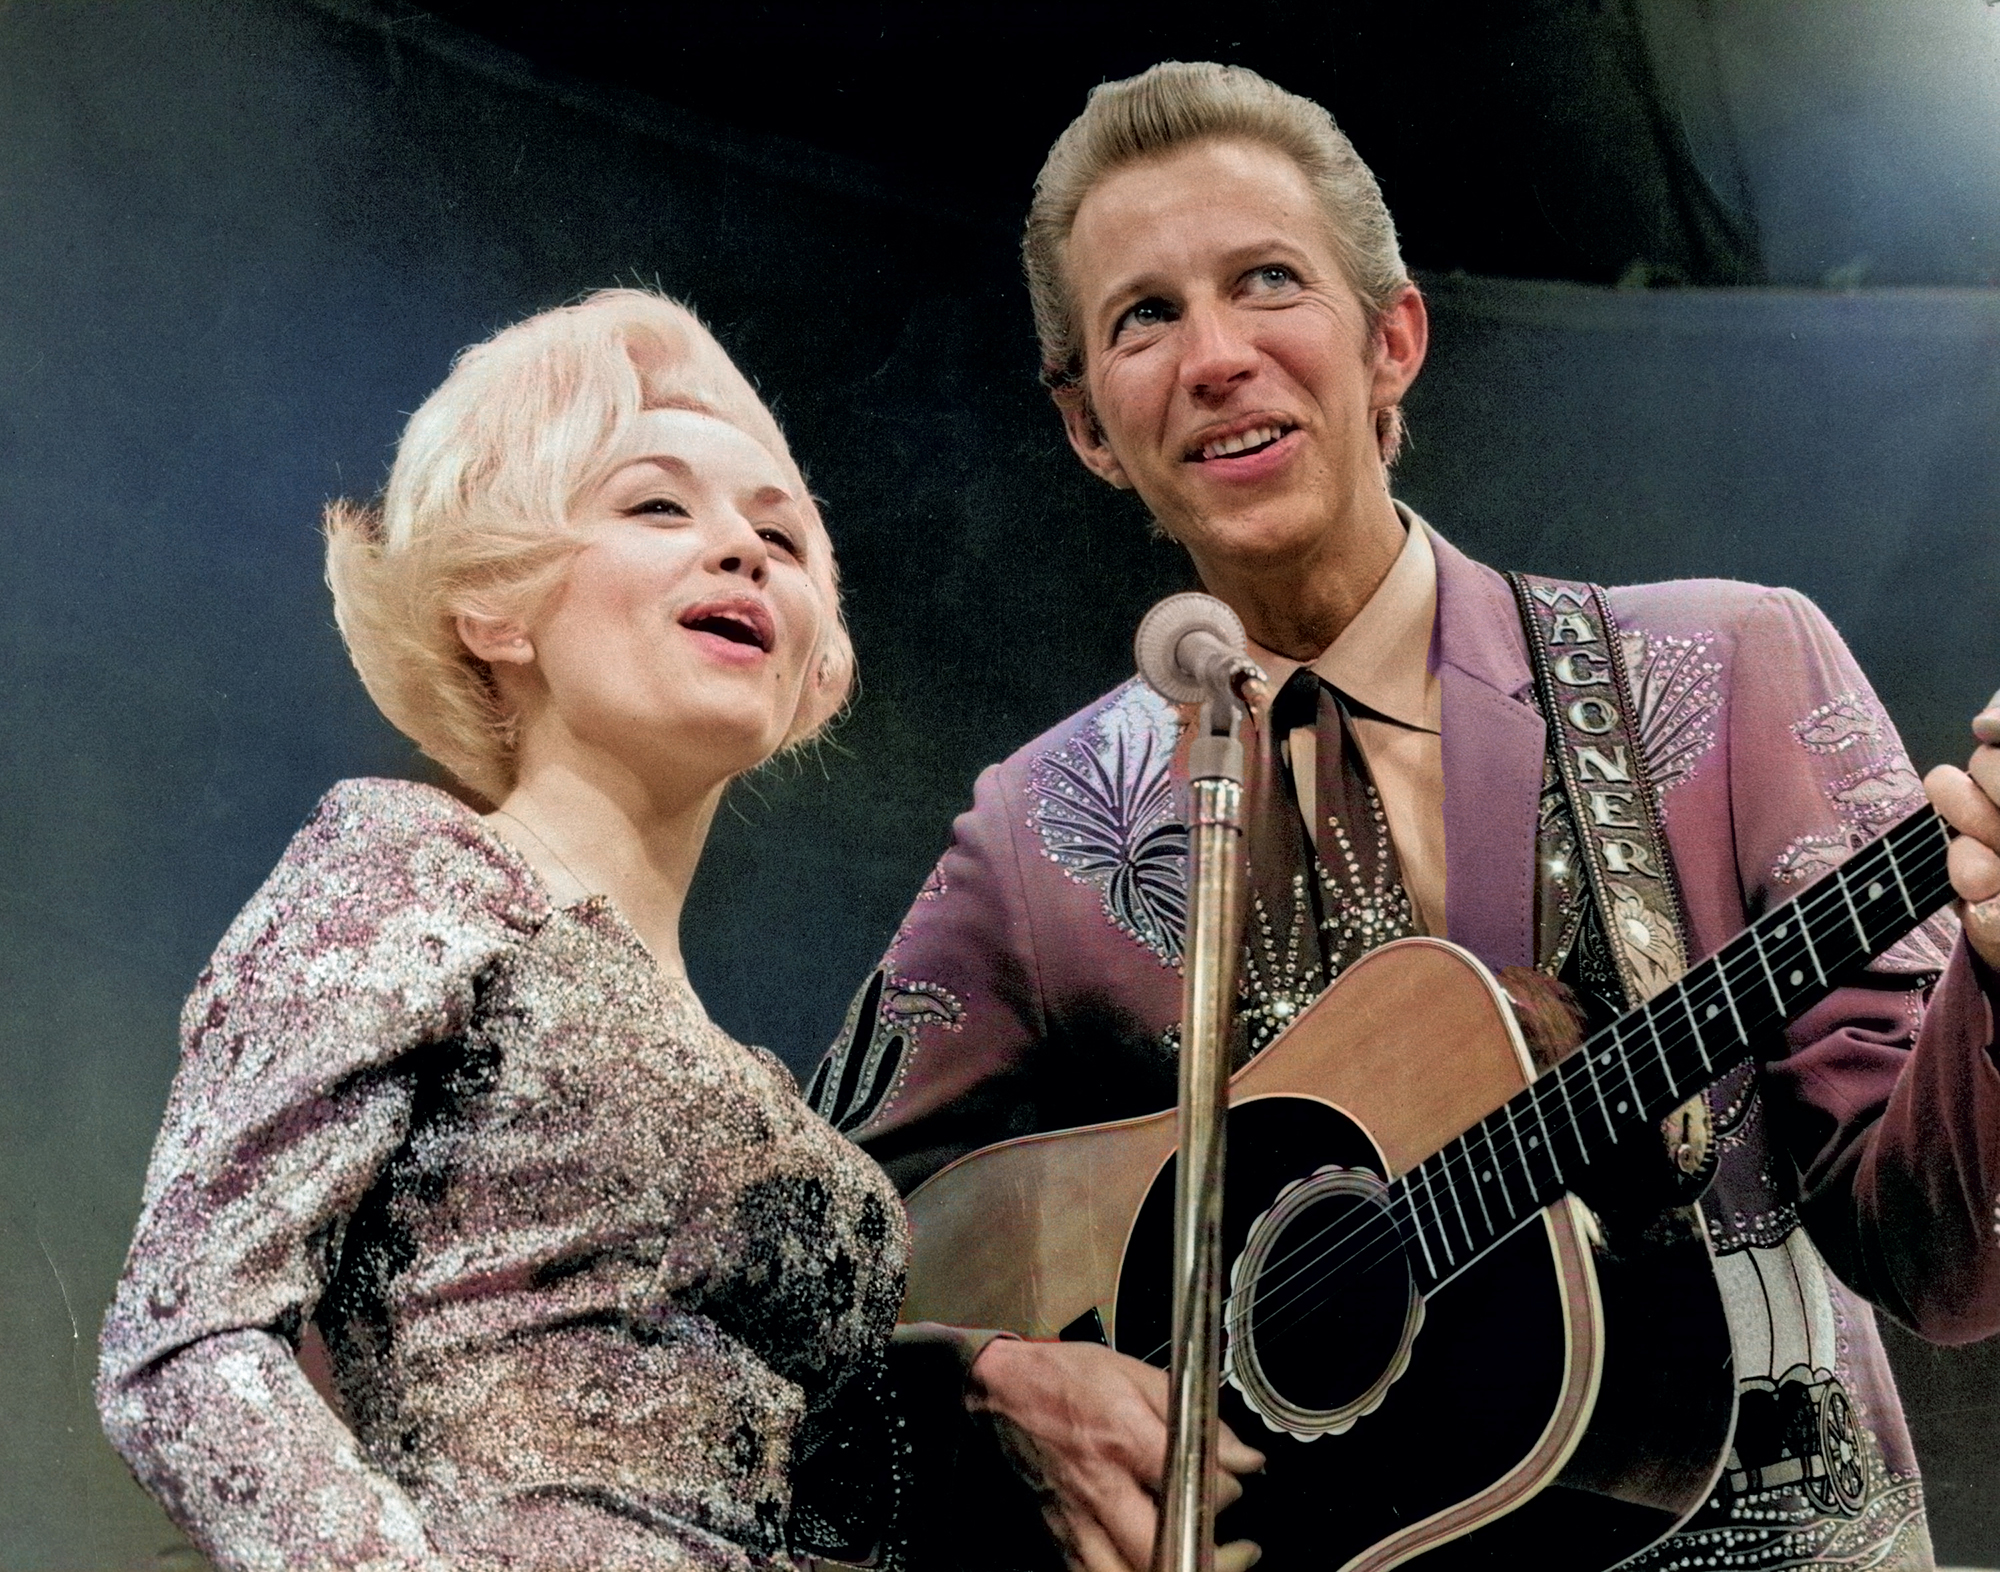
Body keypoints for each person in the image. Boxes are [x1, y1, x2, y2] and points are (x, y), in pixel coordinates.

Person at [811, 63, 2000, 1572]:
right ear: (1088, 428)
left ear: (1393, 341)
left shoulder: (1723, 670)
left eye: (1268, 282)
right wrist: (991, 1387)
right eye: (1143, 316)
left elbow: (1950, 1264)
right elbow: (806, 1237)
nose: (1217, 356)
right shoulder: (1045, 833)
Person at [95, 289, 1260, 1572]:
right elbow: (184, 1344)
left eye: (781, 533)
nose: (744, 550)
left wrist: (991, 1381)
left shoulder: (754, 1087)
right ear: (496, 608)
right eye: (659, 505)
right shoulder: (408, 872)